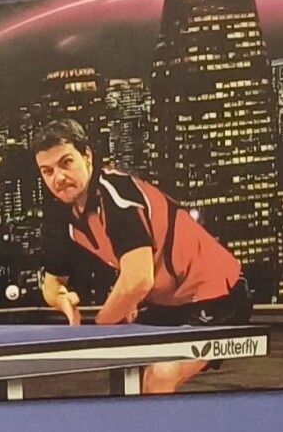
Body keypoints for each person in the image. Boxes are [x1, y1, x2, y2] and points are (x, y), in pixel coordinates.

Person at [32, 118, 251, 394]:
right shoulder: (59, 215)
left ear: (87, 157)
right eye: (47, 171)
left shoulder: (116, 195)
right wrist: (62, 301)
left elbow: (138, 280)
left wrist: (99, 327)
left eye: (66, 163)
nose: (58, 178)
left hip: (219, 296)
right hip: (167, 303)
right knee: (130, 371)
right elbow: (52, 285)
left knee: (160, 374)